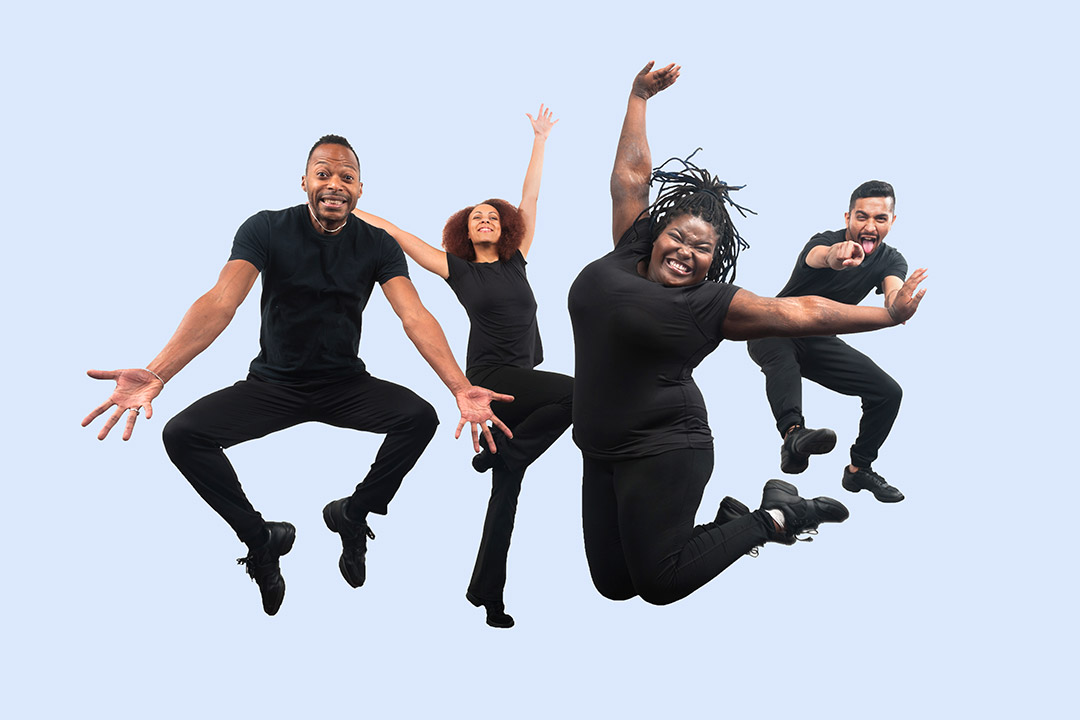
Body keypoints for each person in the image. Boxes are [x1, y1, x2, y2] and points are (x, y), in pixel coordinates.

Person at [81, 135, 512, 616]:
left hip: (345, 385)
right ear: (305, 181)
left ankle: (353, 513)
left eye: (346, 176)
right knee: (183, 435)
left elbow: (414, 316)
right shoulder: (266, 229)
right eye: (323, 173)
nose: (334, 184)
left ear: (360, 190)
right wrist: (159, 371)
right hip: (274, 386)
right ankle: (261, 540)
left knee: (419, 418)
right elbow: (223, 301)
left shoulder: (377, 245)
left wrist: (458, 385)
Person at [566, 62, 928, 606]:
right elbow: (630, 178)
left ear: (716, 261)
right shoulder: (628, 248)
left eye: (703, 249)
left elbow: (803, 313)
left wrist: (889, 315)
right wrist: (638, 98)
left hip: (666, 445)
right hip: (598, 445)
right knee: (615, 586)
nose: (686, 252)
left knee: (659, 584)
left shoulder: (708, 303)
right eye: (680, 238)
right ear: (656, 231)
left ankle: (778, 514)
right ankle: (733, 519)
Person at [352, 106, 572, 628]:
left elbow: (531, 197)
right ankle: (508, 454)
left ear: (505, 226)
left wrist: (539, 140)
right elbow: (396, 233)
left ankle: (488, 596)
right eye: (476, 217)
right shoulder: (459, 271)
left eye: (492, 215)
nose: (486, 218)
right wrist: (349, 203)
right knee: (580, 392)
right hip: (492, 380)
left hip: (523, 389)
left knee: (509, 487)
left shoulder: (518, 257)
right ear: (465, 233)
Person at [747, 181, 913, 502]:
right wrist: (837, 255)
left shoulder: (891, 260)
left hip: (818, 341)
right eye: (861, 217)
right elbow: (820, 256)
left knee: (888, 393)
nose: (869, 226)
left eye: (880, 219)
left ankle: (858, 471)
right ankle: (794, 436)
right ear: (848, 217)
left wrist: (898, 302)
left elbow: (893, 292)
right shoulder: (826, 241)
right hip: (773, 327)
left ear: (892, 222)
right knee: (782, 360)